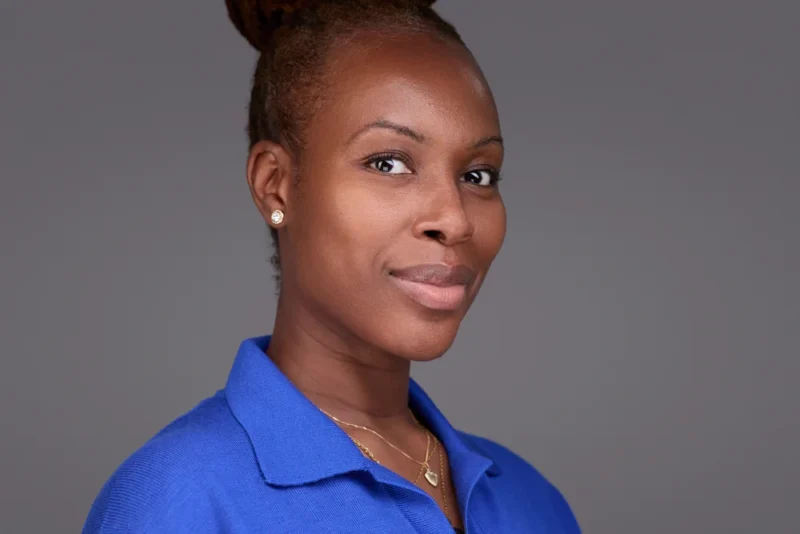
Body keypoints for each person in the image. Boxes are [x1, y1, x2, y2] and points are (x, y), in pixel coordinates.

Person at [83, 1, 580, 532]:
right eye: (388, 163)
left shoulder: (532, 501)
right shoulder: (178, 500)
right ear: (275, 185)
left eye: (478, 175)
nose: (454, 220)